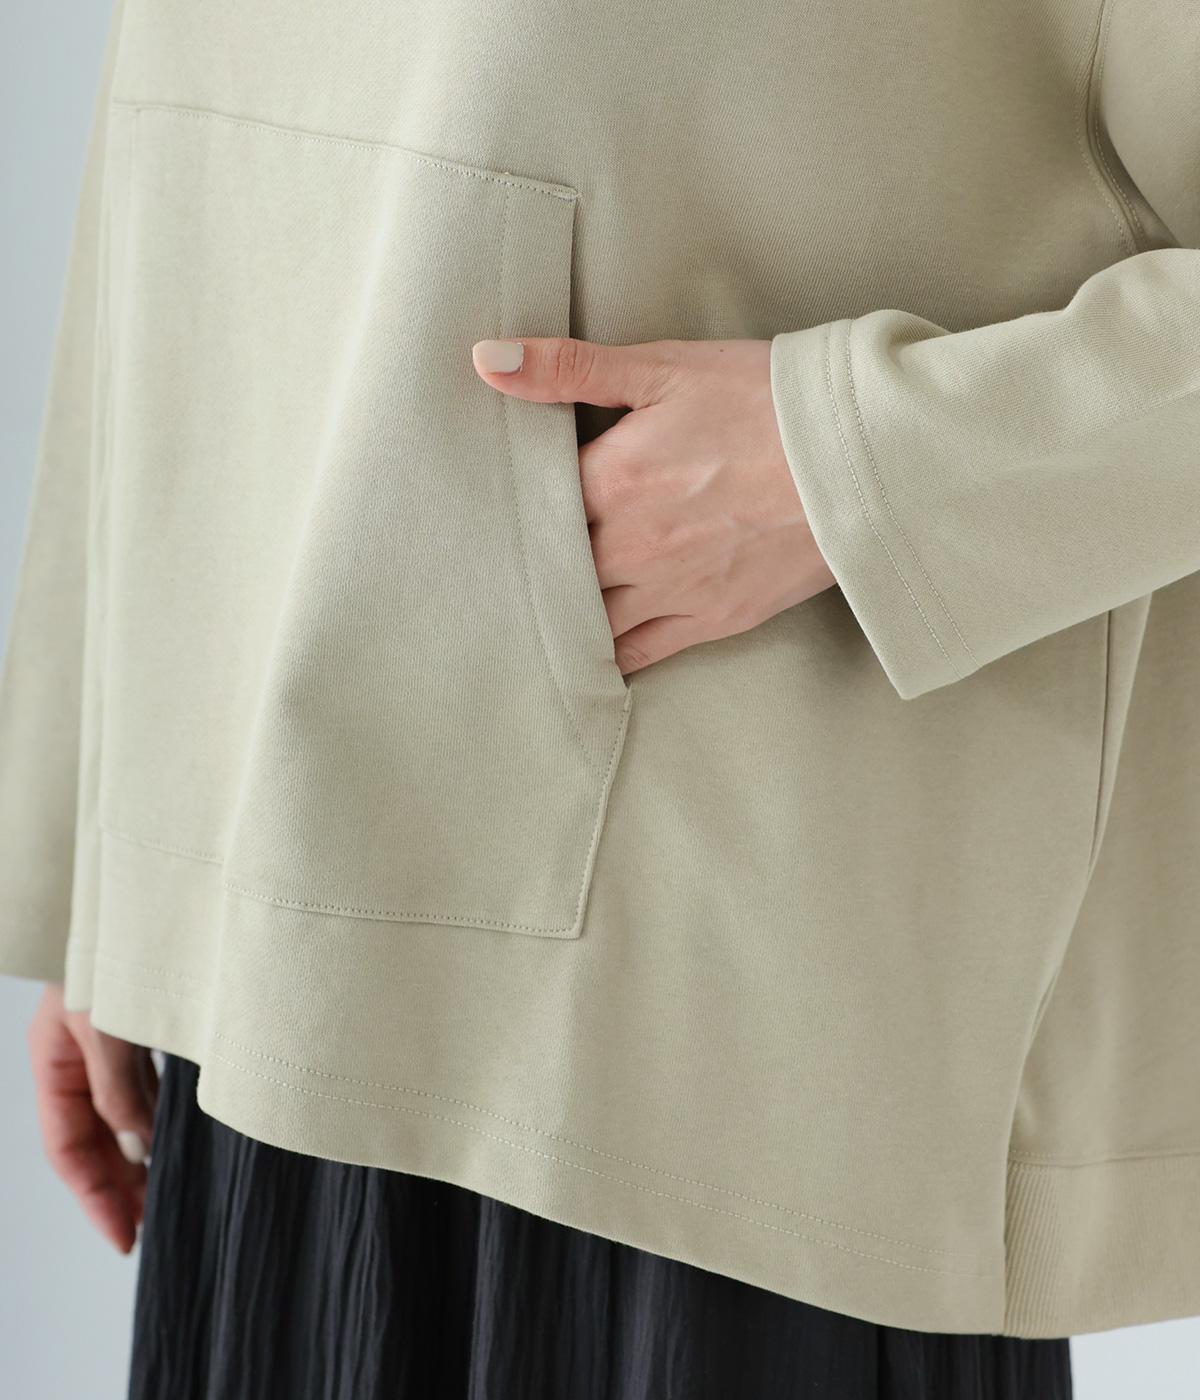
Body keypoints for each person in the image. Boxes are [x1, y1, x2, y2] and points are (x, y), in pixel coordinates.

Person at [4, 0, 1198, 1395]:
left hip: (724, 1035)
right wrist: (105, 850)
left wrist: (858, 462)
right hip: (265, 952)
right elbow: (178, 154)